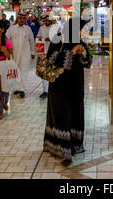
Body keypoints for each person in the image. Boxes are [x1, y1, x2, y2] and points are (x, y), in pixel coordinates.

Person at [43, 18, 93, 167]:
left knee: (75, 113)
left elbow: (89, 62)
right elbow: (50, 59)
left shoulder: (80, 42)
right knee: (61, 115)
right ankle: (65, 153)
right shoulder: (58, 40)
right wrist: (71, 52)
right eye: (79, 29)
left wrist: (83, 52)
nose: (80, 32)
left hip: (76, 86)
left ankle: (75, 145)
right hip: (59, 86)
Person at [5, 13, 36, 98]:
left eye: (23, 19)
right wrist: (7, 51)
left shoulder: (28, 29)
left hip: (25, 54)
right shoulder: (11, 29)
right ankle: (16, 88)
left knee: (23, 71)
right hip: (14, 53)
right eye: (20, 18)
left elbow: (32, 41)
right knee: (15, 71)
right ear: (17, 19)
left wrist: (33, 52)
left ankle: (22, 89)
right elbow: (6, 39)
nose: (22, 20)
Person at [37, 13, 56, 99]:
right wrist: (40, 39)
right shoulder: (41, 28)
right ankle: (45, 91)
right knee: (44, 72)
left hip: (53, 53)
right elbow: (37, 38)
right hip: (44, 53)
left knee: (53, 71)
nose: (45, 22)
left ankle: (53, 90)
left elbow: (59, 39)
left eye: (47, 20)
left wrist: (51, 39)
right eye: (44, 21)